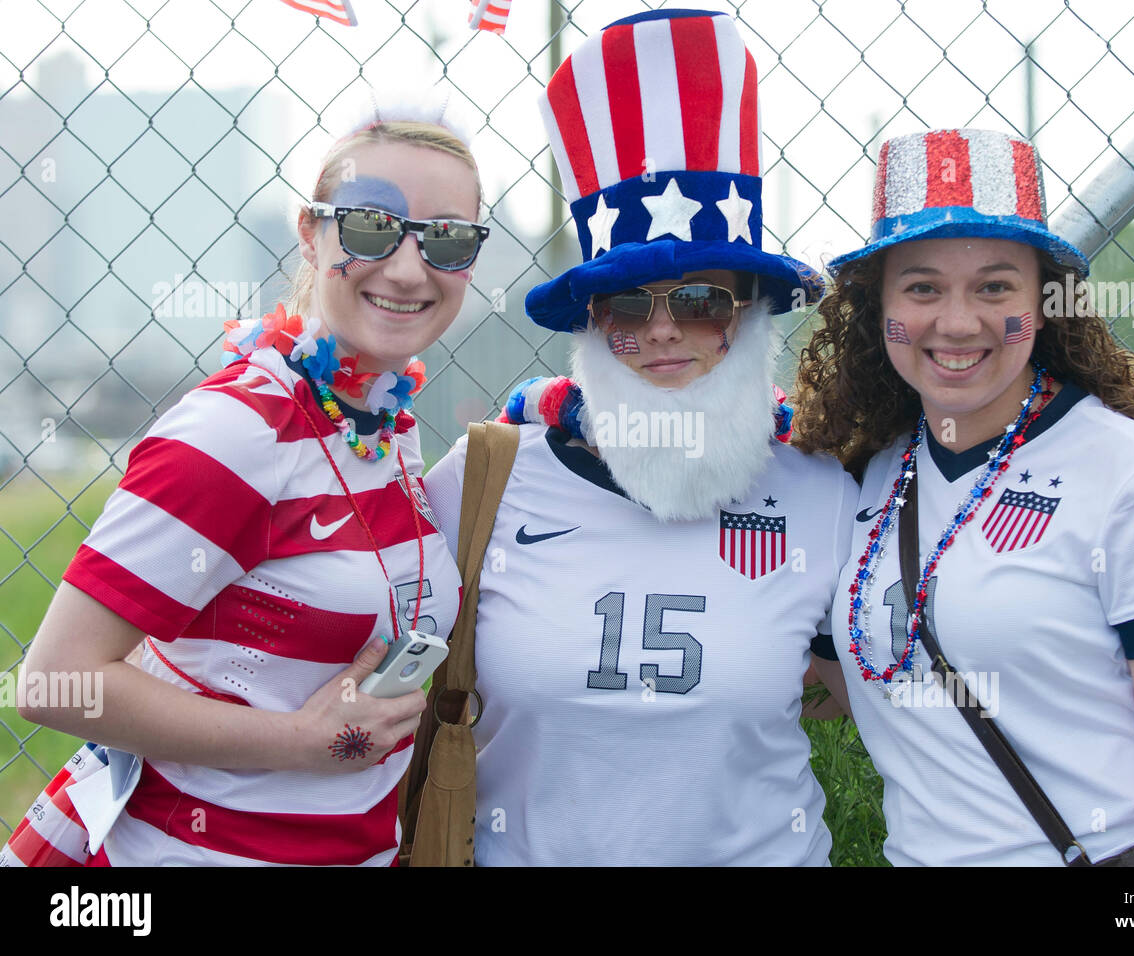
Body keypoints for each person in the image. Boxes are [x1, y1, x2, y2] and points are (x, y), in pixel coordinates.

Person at [425, 8, 856, 865]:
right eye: (627, 306)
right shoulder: (482, 482)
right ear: (591, 321)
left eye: (701, 302)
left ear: (753, 310)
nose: (662, 332)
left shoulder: (824, 490)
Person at [15, 99, 489, 865]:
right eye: (371, 227)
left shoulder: (378, 426)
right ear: (311, 233)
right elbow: (54, 682)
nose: (409, 268)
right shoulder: (240, 431)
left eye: (447, 239)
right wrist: (297, 741)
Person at [794, 128, 1134, 866]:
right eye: (923, 287)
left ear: (1045, 302)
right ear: (879, 309)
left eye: (995, 286)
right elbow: (853, 682)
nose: (958, 321)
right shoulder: (868, 476)